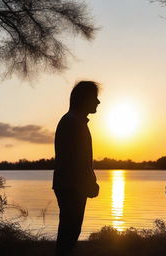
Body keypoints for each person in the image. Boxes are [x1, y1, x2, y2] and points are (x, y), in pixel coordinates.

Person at [52, 81, 100, 256]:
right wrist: (90, 182)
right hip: (71, 185)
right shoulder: (73, 122)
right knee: (69, 230)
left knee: (70, 230)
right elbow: (77, 159)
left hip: (69, 184)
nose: (98, 102)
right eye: (95, 98)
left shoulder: (74, 121)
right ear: (84, 99)